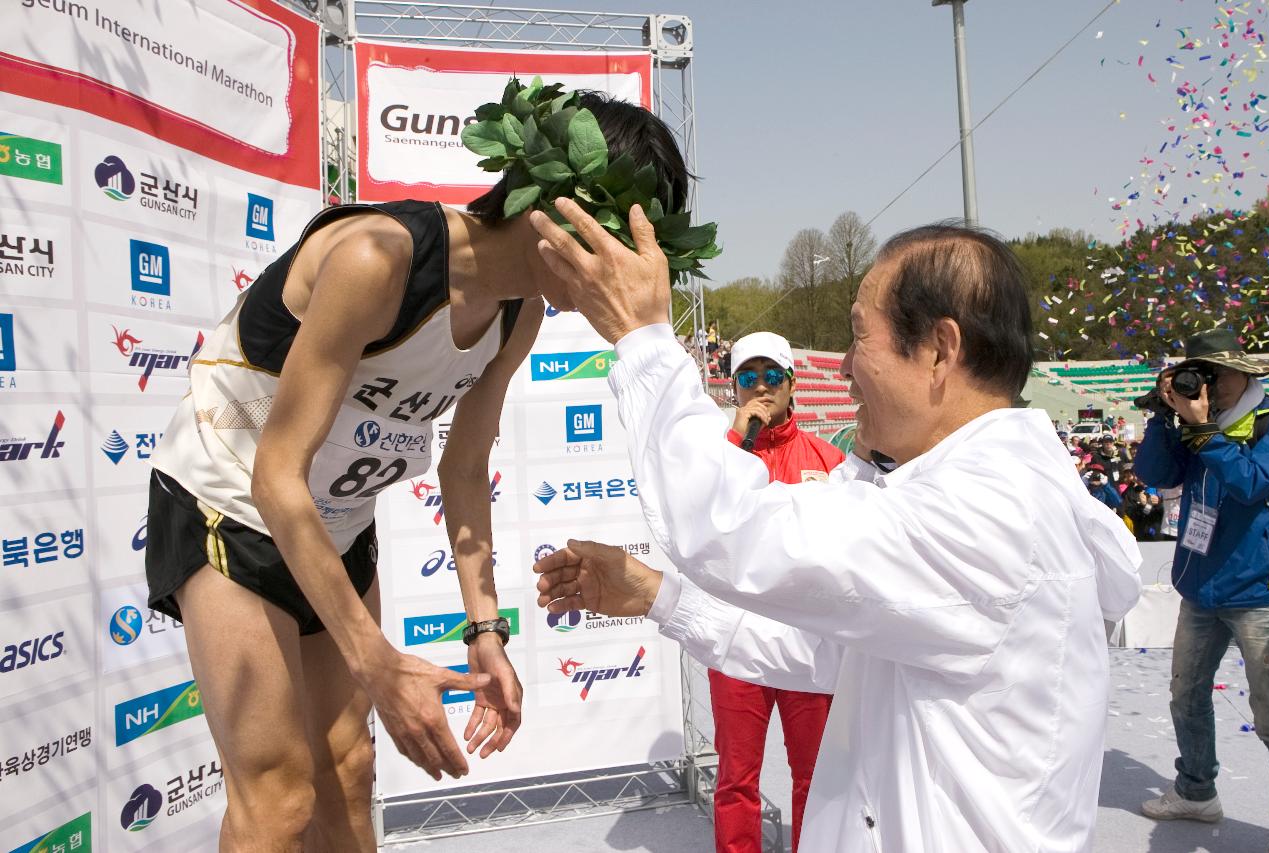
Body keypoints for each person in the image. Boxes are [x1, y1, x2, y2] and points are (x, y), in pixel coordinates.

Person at [144, 90, 693, 851]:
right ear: (563, 215)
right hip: (232, 503)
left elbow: (465, 465)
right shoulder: (380, 258)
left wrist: (485, 630)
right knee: (279, 798)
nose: (634, 274)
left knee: (350, 768)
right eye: (625, 244)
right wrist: (377, 663)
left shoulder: (518, 309)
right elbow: (276, 475)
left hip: (333, 522)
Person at [528, 211, 1142, 851]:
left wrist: (644, 338)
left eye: (859, 337)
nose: (844, 365)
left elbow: (729, 529)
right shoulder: (995, 498)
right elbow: (827, 654)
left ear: (938, 349)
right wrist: (658, 596)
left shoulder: (992, 514)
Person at [1132, 328, 1269, 849]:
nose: (1209, 386)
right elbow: (1153, 473)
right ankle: (1196, 792)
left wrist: (1203, 432)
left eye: (1217, 375)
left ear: (1245, 375)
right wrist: (1162, 414)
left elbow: (1252, 484)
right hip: (1200, 588)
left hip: (1261, 594)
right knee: (1186, 696)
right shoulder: (1197, 423)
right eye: (1203, 374)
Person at [710, 331, 843, 853]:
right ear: (734, 388)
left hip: (807, 646)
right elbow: (702, 522)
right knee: (736, 782)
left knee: (814, 777)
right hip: (736, 644)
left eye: (771, 377)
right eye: (747, 377)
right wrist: (735, 444)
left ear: (792, 383)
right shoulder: (718, 457)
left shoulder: (829, 460)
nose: (760, 388)